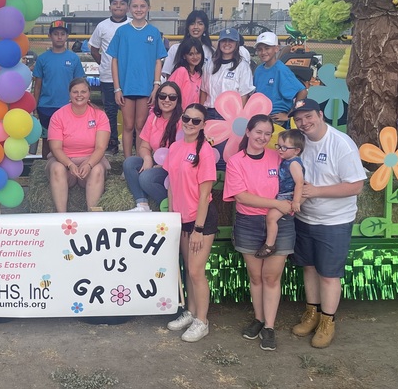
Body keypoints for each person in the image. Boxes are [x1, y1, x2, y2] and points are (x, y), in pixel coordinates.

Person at [289, 98, 366, 348]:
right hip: (305, 217)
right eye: (299, 119)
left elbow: (356, 186)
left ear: (320, 115)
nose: (304, 123)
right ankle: (312, 312)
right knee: (309, 267)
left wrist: (316, 192)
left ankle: (328, 320)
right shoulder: (301, 143)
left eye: (308, 116)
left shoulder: (341, 144)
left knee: (329, 275)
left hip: (334, 221)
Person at [222, 117, 298, 352]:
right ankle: (258, 318)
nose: (262, 138)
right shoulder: (236, 161)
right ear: (248, 131)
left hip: (280, 222)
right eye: (258, 132)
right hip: (249, 223)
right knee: (255, 277)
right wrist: (276, 202)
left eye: (268, 133)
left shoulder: (279, 158)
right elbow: (241, 196)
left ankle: (270, 327)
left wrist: (290, 202)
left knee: (271, 277)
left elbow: (296, 181)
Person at [164, 103, 218, 343]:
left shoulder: (204, 151)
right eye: (187, 118)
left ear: (203, 125)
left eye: (196, 121)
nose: (190, 123)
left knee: (196, 271)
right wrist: (173, 219)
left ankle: (202, 321)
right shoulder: (175, 147)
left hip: (200, 219)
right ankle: (192, 312)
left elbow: (205, 193)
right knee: (188, 268)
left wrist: (198, 228)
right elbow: (172, 186)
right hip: (181, 219)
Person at [109, 0, 166, 158]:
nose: (138, 9)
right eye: (135, 6)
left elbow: (157, 61)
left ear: (148, 8)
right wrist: (117, 88)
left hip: (145, 88)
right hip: (126, 87)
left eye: (142, 6)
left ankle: (141, 162)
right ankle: (127, 163)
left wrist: (156, 86)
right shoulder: (122, 32)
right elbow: (115, 61)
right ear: (129, 8)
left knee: (141, 126)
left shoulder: (154, 33)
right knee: (128, 126)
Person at [47, 78, 110, 213]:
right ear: (69, 94)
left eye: (83, 91)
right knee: (57, 168)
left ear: (89, 93)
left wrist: (89, 164)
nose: (79, 95)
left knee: (97, 170)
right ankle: (61, 216)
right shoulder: (58, 116)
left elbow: (101, 147)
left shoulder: (100, 115)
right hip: (64, 161)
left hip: (90, 160)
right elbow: (56, 148)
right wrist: (69, 164)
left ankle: (93, 215)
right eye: (75, 92)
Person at [123, 81, 182, 211]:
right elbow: (144, 146)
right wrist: (147, 158)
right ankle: (142, 204)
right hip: (156, 161)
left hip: (173, 167)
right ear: (157, 98)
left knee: (146, 178)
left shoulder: (182, 122)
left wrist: (163, 165)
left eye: (172, 97)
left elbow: (182, 153)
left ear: (178, 100)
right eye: (162, 96)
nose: (167, 100)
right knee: (130, 162)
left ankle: (169, 205)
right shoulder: (153, 118)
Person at [33, 20, 85, 159]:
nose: (59, 37)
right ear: (50, 36)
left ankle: (65, 169)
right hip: (46, 107)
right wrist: (35, 106)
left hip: (68, 106)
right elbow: (37, 84)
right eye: (56, 34)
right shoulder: (43, 59)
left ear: (67, 36)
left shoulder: (73, 58)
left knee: (68, 140)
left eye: (62, 34)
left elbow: (80, 83)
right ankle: (46, 168)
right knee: (48, 140)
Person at [89, 0, 129, 154]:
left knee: (129, 112)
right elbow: (94, 48)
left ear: (127, 6)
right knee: (111, 111)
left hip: (128, 77)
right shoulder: (103, 26)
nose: (118, 6)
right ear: (110, 6)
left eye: (122, 3)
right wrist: (105, 64)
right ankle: (112, 143)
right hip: (108, 77)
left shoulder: (134, 24)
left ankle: (132, 141)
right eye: (115, 3)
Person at [258, 129, 305, 258]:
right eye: (278, 146)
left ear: (296, 150)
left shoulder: (294, 163)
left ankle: (270, 245)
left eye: (284, 147)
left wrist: (295, 201)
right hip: (283, 195)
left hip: (288, 196)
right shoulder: (286, 160)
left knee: (271, 218)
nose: (280, 150)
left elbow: (300, 183)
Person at [252, 32, 307, 124]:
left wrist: (290, 114)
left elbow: (303, 92)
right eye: (260, 49)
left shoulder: (281, 69)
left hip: (275, 117)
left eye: (267, 48)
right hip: (261, 115)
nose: (263, 52)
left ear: (276, 49)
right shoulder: (259, 70)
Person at [204, 28, 255, 116]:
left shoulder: (243, 66)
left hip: (231, 113)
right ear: (219, 43)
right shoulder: (210, 64)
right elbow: (203, 90)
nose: (227, 44)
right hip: (210, 112)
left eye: (231, 41)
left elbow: (244, 95)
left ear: (237, 44)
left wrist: (239, 117)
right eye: (224, 40)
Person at [161, 10, 215, 79]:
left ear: (205, 28)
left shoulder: (211, 52)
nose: (196, 27)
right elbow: (168, 76)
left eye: (200, 24)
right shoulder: (175, 49)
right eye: (192, 23)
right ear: (188, 27)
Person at [165, 36, 207, 106]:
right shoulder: (181, 71)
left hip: (190, 115)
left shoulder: (198, 75)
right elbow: (172, 96)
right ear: (184, 56)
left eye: (198, 53)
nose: (195, 57)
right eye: (191, 54)